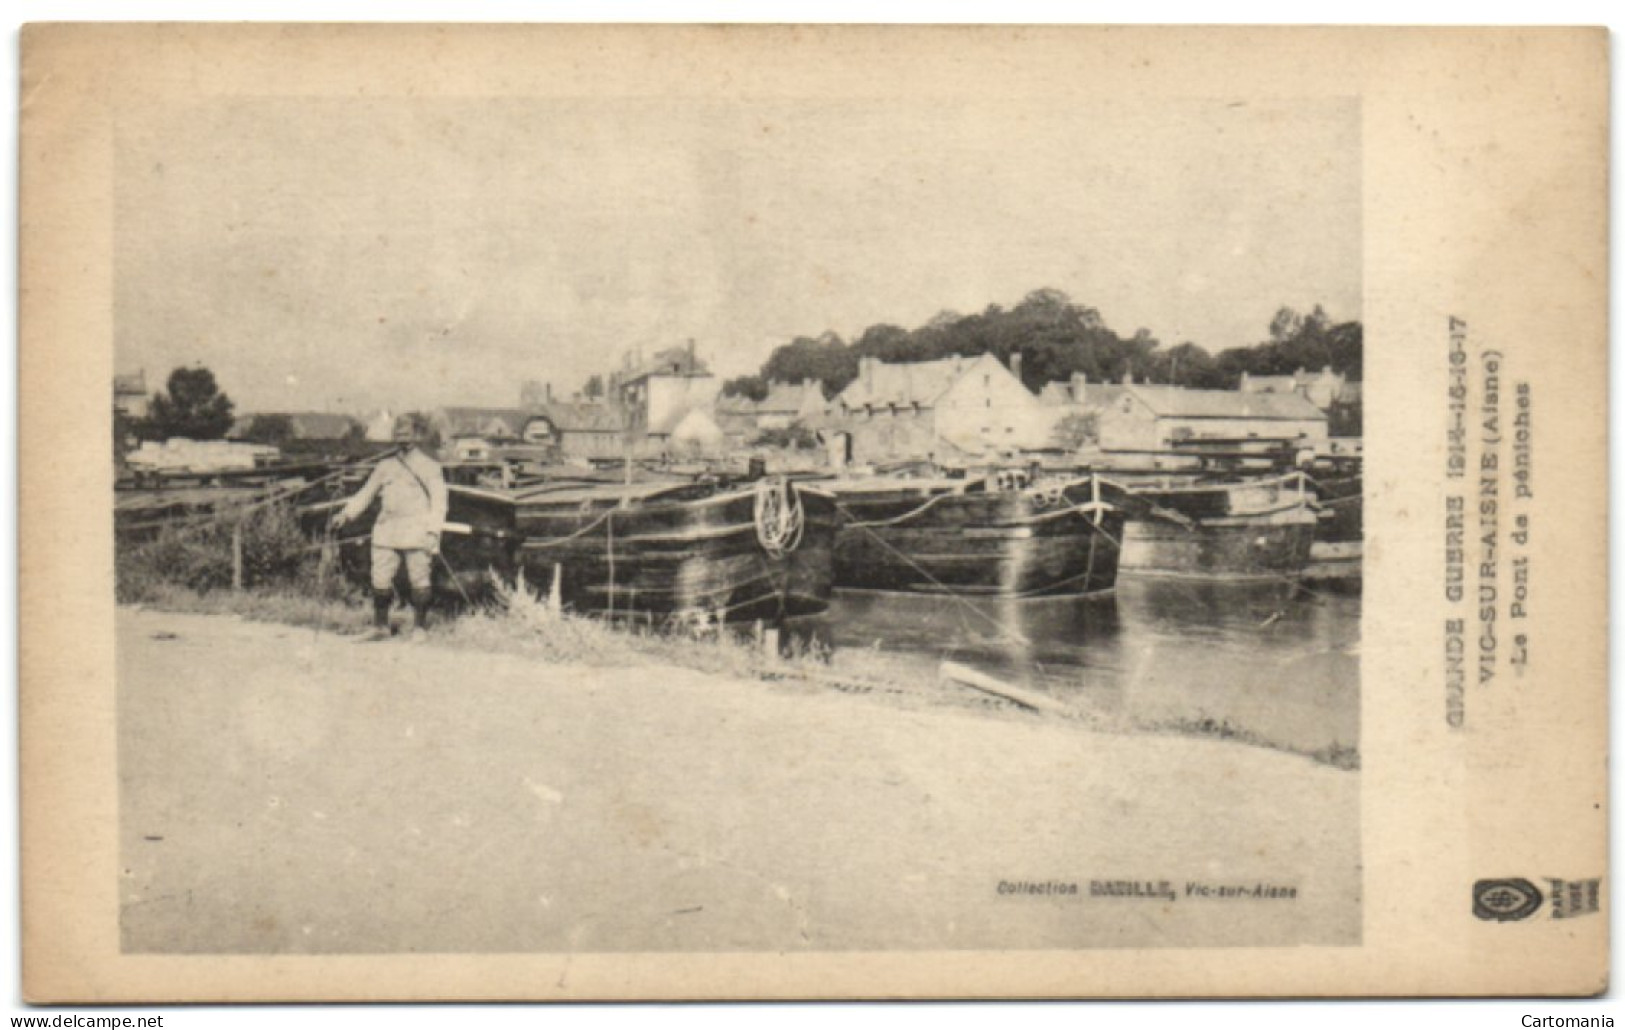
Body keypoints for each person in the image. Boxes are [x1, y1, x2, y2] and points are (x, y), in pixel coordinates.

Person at [332, 413, 448, 642]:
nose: (402, 438)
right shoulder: (385, 466)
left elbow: (439, 503)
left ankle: (420, 629)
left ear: (416, 435)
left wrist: (434, 531)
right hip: (387, 529)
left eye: (406, 433)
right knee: (380, 579)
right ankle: (380, 627)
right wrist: (345, 514)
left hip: (417, 529)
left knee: (419, 579)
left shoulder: (430, 467)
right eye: (398, 434)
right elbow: (366, 493)